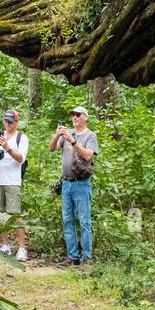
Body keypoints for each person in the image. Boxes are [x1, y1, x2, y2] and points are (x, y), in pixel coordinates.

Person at [50, 107, 99, 266]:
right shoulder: (67, 133)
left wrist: (73, 142)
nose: (74, 117)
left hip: (81, 184)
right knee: (67, 220)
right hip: (66, 184)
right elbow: (52, 148)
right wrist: (57, 134)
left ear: (86, 118)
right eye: (73, 115)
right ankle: (73, 257)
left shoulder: (90, 135)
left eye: (78, 115)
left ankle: (87, 258)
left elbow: (88, 155)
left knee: (84, 221)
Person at [0, 110, 29, 261]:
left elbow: (21, 159)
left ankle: (22, 247)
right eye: (5, 121)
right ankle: (5, 245)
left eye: (10, 121)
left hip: (12, 181)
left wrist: (8, 148)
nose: (7, 124)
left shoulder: (21, 138)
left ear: (16, 122)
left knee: (15, 215)